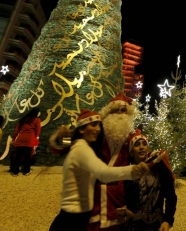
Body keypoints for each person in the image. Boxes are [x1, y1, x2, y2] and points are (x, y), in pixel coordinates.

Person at [50, 92, 139, 231]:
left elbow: (143, 153)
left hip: (116, 197)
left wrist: (157, 156)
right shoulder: (96, 136)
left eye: (124, 110)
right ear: (108, 113)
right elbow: (64, 146)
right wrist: (60, 138)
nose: (120, 114)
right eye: (116, 110)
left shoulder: (132, 139)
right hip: (94, 195)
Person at [119, 129, 177, 231]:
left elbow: (170, 196)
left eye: (144, 144)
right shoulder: (127, 171)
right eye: (137, 145)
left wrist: (167, 220)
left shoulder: (158, 166)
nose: (141, 147)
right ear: (131, 152)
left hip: (155, 224)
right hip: (132, 225)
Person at [10, 107, 41, 176]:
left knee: (18, 156)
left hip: (20, 138)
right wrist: (35, 136)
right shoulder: (37, 120)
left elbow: (16, 131)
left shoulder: (23, 119)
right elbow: (38, 130)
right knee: (27, 156)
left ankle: (15, 172)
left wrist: (13, 138)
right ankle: (26, 171)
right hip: (29, 139)